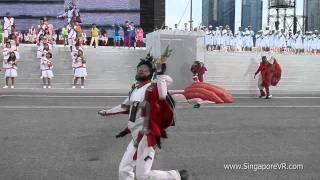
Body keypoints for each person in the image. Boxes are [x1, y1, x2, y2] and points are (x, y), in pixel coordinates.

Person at [97, 48, 189, 180]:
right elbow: (125, 106)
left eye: (145, 69)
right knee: (124, 170)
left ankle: (176, 176)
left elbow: (163, 94)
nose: (141, 70)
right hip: (136, 137)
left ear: (150, 74)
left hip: (147, 136)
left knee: (143, 176)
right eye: (139, 68)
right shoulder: (135, 88)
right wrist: (107, 112)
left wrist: (161, 67)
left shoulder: (152, 88)